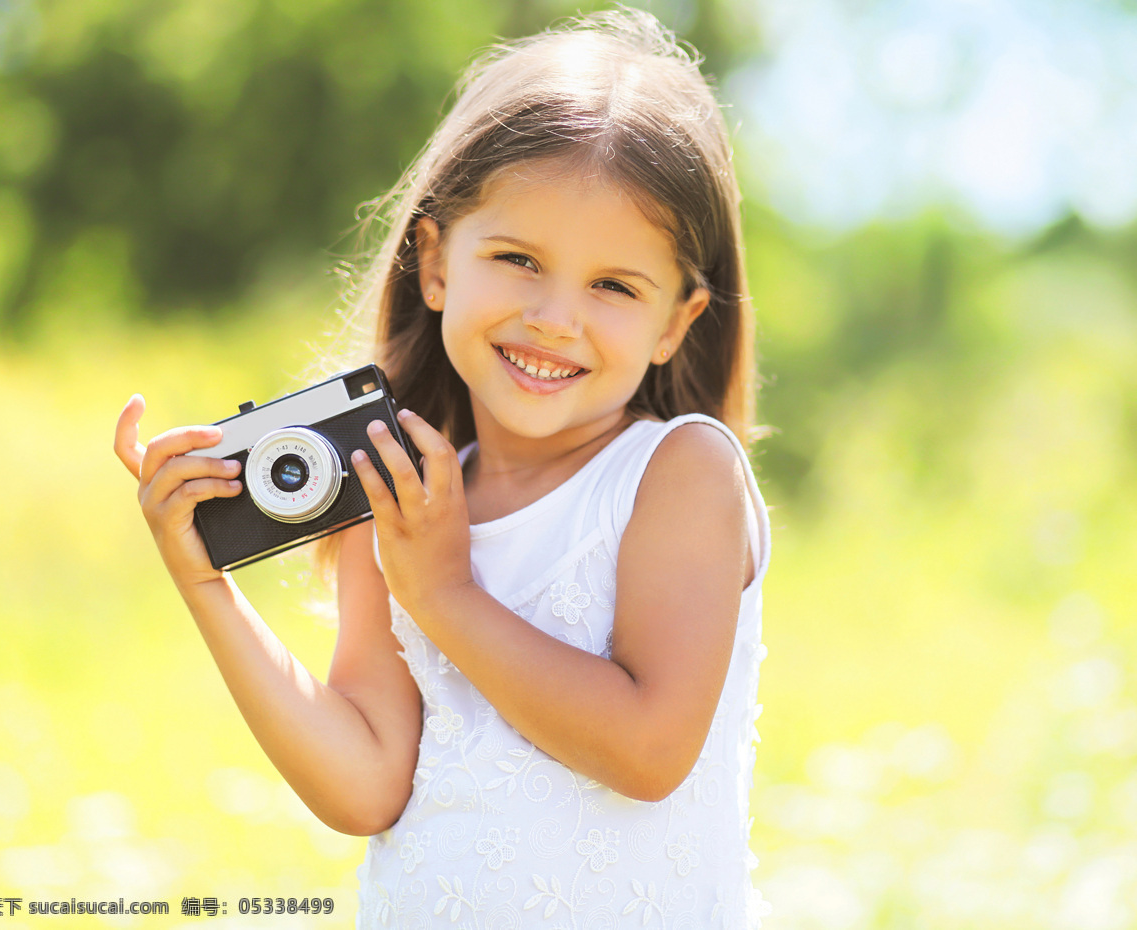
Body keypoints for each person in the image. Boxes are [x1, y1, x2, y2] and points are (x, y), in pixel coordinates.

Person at [114, 8, 771, 927]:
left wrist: (444, 593)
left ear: (675, 321)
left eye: (613, 286)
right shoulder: (398, 488)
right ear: (435, 264)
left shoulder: (677, 472)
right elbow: (366, 787)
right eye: (517, 259)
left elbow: (650, 751)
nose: (555, 318)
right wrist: (205, 584)